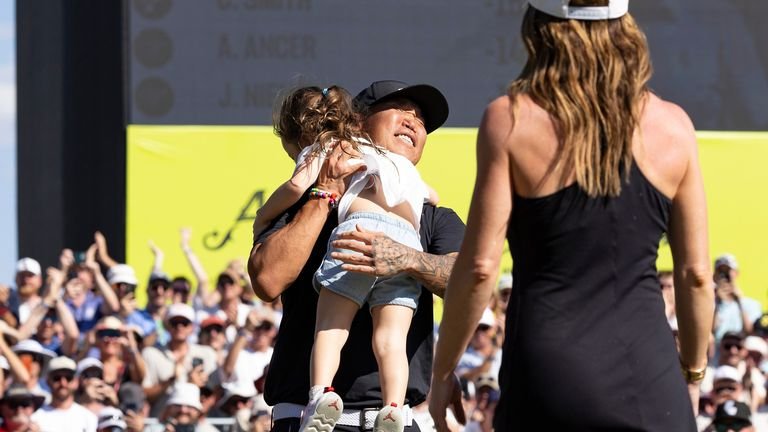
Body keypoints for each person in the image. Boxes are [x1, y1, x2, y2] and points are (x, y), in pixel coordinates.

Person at [429, 1, 713, 430]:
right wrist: (692, 374)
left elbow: (481, 268)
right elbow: (696, 275)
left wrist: (443, 372)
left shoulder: (510, 119)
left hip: (547, 376)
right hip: (651, 379)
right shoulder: (675, 126)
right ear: (625, 28)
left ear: (539, 30)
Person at [248, 80, 465, 432]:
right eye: (400, 109)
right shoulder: (307, 202)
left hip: (393, 422)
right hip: (306, 420)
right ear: (358, 122)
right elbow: (267, 281)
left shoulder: (433, 217)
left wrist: (407, 258)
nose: (413, 121)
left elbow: (469, 284)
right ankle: (323, 394)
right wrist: (324, 194)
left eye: (421, 119)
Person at [31, 356, 97, 432]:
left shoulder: (88, 418)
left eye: (68, 378)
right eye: (57, 378)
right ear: (48, 381)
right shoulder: (36, 418)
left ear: (76, 381)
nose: (63, 383)